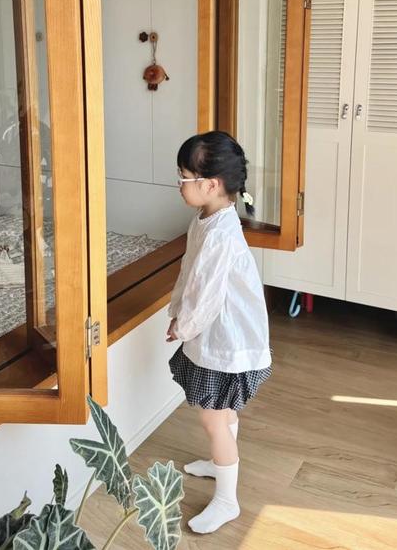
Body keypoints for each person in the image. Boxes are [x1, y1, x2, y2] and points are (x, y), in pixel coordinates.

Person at [167, 130, 272, 534]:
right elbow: (190, 275)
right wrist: (178, 312)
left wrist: (183, 325)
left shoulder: (220, 234)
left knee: (214, 419)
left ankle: (227, 500)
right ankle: (219, 461)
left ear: (210, 185)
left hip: (228, 340)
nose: (179, 185)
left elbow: (206, 295)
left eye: (183, 177)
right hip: (219, 333)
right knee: (222, 412)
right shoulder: (207, 219)